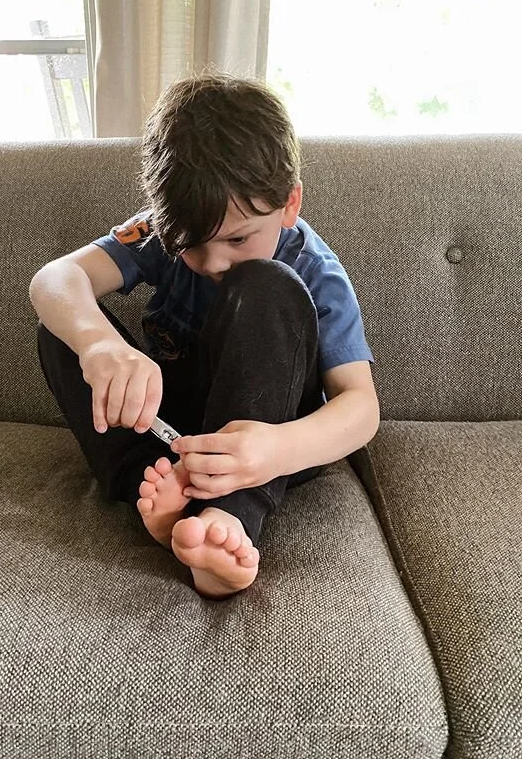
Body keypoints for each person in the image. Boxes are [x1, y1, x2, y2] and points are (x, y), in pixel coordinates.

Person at [29, 73, 380, 601]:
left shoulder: (312, 269)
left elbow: (361, 408)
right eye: (189, 242)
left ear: (289, 204)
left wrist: (276, 449)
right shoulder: (159, 231)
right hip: (174, 432)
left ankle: (228, 518)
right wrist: (101, 345)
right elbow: (54, 279)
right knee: (61, 330)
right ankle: (156, 501)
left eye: (238, 238)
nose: (213, 261)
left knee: (265, 284)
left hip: (265, 435)